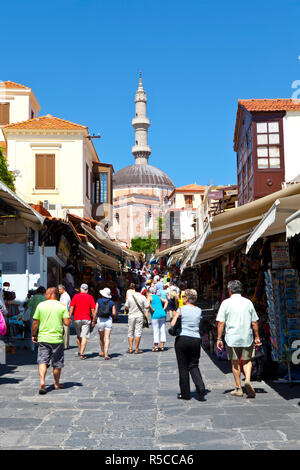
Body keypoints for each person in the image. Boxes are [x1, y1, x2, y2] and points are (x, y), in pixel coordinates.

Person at [216, 280, 261, 398]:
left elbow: (221, 323)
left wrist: (219, 338)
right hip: (247, 337)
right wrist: (257, 337)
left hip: (232, 337)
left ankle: (238, 388)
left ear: (230, 290)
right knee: (247, 360)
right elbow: (255, 322)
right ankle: (248, 380)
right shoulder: (248, 302)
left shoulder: (225, 303)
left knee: (235, 362)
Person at [32, 287, 71, 395]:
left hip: (43, 338)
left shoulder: (41, 305)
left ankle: (42, 383)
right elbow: (67, 323)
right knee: (57, 363)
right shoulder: (62, 306)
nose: (45, 295)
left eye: (46, 293)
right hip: (57, 339)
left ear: (50, 294)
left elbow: (35, 323)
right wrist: (68, 319)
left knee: (42, 361)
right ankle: (56, 383)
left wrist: (34, 335)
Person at [170, 289, 206, 401]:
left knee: (183, 367)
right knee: (194, 364)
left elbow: (172, 324)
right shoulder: (199, 310)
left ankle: (185, 394)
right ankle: (200, 387)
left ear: (186, 298)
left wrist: (176, 316)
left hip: (183, 339)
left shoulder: (181, 309)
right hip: (195, 339)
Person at [69, 283, 96, 360]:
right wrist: (94, 319)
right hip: (86, 319)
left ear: (80, 289)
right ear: (87, 290)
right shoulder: (90, 297)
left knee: (78, 335)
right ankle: (82, 353)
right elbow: (93, 310)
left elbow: (71, 308)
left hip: (77, 318)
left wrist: (69, 317)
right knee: (84, 336)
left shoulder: (75, 296)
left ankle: (79, 350)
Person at [124, 283, 149, 354]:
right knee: (138, 332)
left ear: (134, 289)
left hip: (131, 316)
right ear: (141, 289)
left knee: (130, 332)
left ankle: (130, 348)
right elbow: (147, 307)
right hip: (139, 316)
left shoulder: (130, 297)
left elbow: (126, 306)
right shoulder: (143, 297)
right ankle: (136, 349)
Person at [95, 287, 117, 360]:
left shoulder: (99, 301)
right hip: (108, 320)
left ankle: (102, 351)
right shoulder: (112, 302)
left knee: (101, 337)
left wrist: (93, 320)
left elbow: (95, 311)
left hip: (100, 320)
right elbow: (114, 313)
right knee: (107, 338)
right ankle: (106, 354)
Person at [58, 285, 71, 350]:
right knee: (64, 330)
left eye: (59, 290)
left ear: (63, 289)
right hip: (64, 314)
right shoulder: (63, 295)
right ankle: (65, 344)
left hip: (64, 314)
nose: (59, 291)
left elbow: (64, 307)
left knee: (65, 330)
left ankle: (65, 345)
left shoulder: (65, 296)